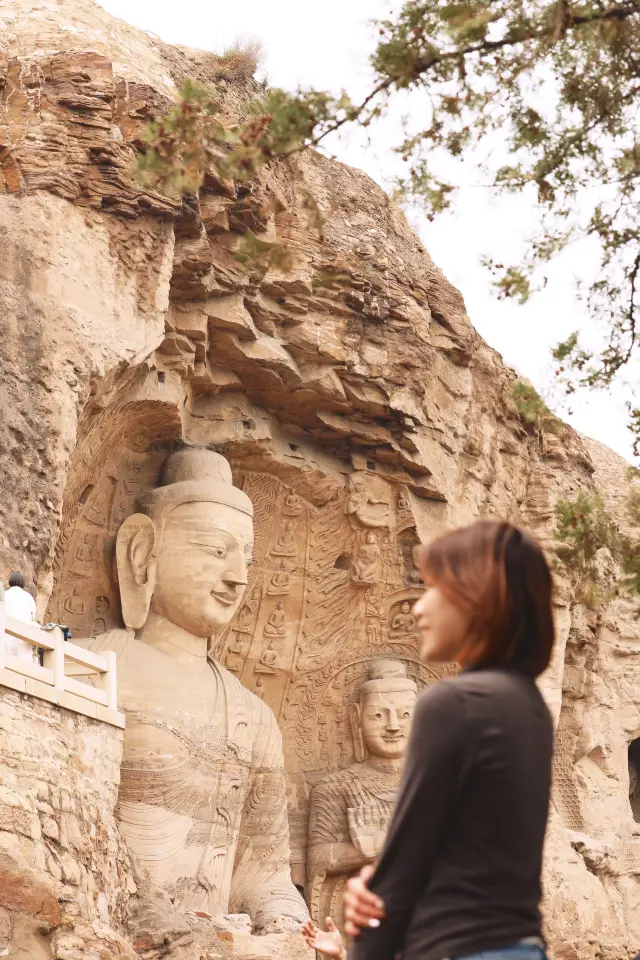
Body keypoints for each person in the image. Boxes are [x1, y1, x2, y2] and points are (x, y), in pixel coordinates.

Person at [343, 520, 555, 960]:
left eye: (433, 589)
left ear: (476, 598)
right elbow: (465, 850)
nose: (418, 609)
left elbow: (403, 869)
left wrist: (372, 908)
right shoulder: (528, 705)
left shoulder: (454, 703)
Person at [4, 571, 38, 662]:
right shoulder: (28, 598)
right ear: (23, 584)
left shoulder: (4, 595)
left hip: (6, 636)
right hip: (23, 637)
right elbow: (32, 618)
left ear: (10, 582)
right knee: (23, 663)